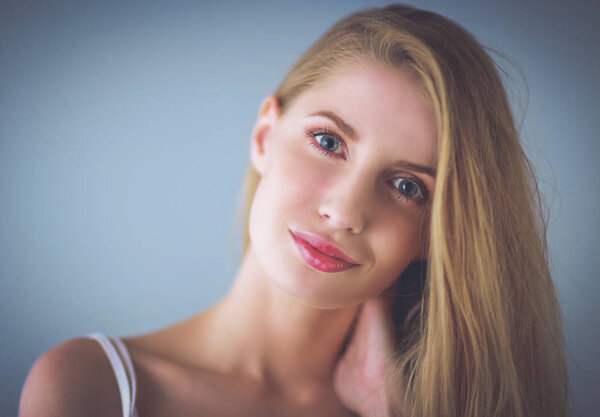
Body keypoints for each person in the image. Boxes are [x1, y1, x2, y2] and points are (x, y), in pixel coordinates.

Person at [18, 4, 568, 417]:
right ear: (264, 135)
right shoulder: (93, 387)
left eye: (406, 186)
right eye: (329, 142)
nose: (346, 211)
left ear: (436, 232)